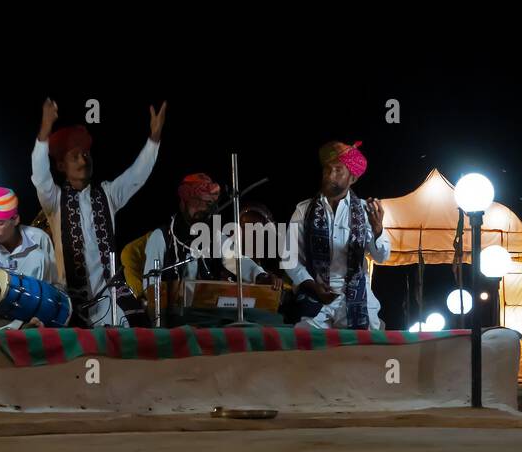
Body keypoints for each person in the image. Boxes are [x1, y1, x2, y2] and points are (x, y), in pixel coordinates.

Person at [31, 97, 166, 327]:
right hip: (70, 298)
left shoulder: (108, 194)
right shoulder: (54, 200)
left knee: (140, 333)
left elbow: (137, 174)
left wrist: (154, 137)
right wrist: (45, 129)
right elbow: (40, 173)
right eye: (75, 156)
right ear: (62, 166)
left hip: (111, 294)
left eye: (86, 154)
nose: (83, 159)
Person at [283, 141, 390, 329]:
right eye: (327, 169)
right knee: (302, 344)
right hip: (314, 296)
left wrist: (378, 230)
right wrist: (312, 286)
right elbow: (289, 259)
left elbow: (381, 257)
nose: (330, 176)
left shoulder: (366, 211)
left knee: (363, 348)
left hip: (356, 297)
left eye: (338, 170)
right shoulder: (303, 210)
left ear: (352, 178)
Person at [143, 173, 273, 286]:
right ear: (184, 202)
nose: (201, 209)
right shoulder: (162, 237)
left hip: (205, 309)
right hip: (172, 312)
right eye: (196, 202)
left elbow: (237, 260)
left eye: (207, 204)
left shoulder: (214, 236)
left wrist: (259, 275)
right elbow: (149, 287)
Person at [0, 186, 61, 329]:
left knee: (38, 256)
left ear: (15, 219)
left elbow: (54, 285)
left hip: (28, 315)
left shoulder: (39, 239)